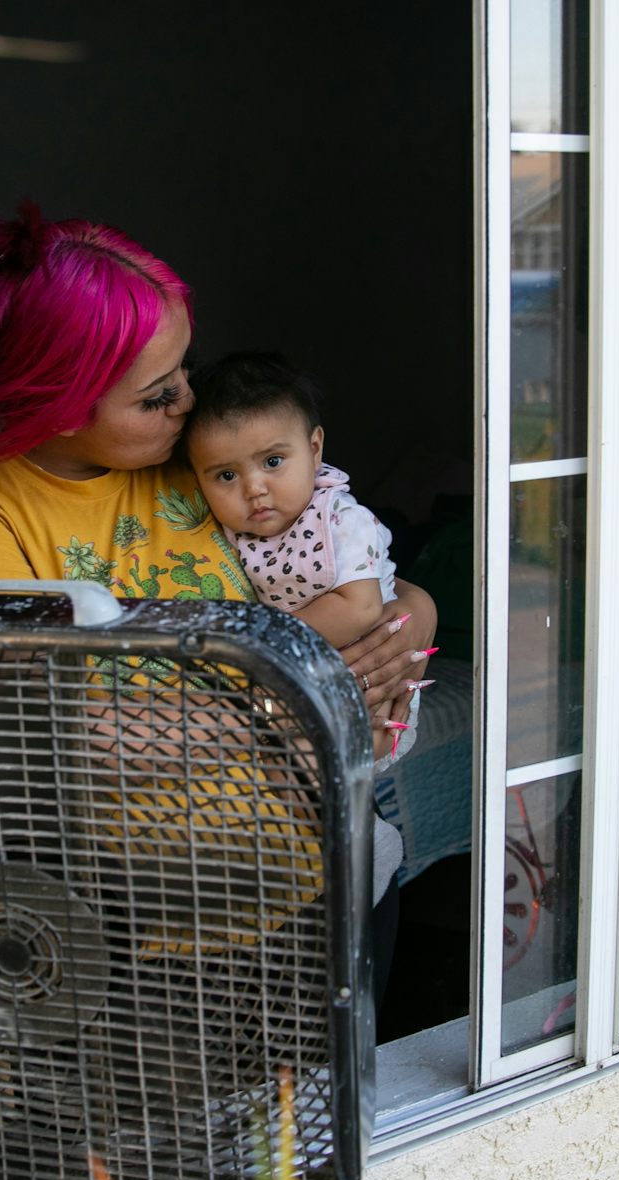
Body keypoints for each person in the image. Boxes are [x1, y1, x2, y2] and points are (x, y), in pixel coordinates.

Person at [0, 204, 434, 981]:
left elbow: (374, 582)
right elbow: (56, 744)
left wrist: (407, 620)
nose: (189, 403)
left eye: (185, 372)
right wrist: (291, 700)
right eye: (157, 395)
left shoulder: (202, 463)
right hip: (154, 936)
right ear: (57, 401)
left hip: (324, 878)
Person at [183, 350, 427, 904]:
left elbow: (361, 608)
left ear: (314, 449)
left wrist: (270, 638)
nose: (254, 490)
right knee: (284, 772)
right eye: (226, 475)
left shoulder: (339, 518)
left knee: (308, 765)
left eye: (272, 461)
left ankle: (365, 852)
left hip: (377, 686)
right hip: (312, 680)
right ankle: (330, 860)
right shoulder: (242, 534)